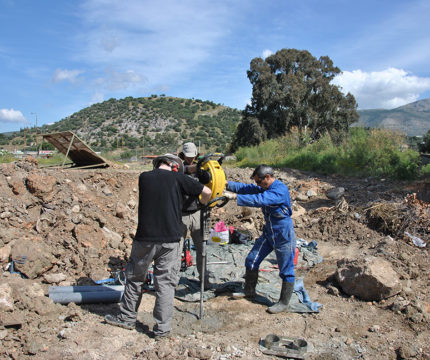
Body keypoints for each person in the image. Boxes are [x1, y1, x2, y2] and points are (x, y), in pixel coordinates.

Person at [105, 154, 212, 338]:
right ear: (175, 167)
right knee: (166, 284)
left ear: (157, 164)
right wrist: (199, 203)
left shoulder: (144, 177)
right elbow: (207, 192)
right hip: (171, 239)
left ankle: (128, 318)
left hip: (144, 239)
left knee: (135, 279)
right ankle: (162, 329)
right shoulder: (180, 178)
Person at [223, 164, 296, 314]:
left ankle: (284, 302)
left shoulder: (279, 190)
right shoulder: (265, 186)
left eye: (259, 182)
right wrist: (227, 185)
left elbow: (260, 199)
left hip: (283, 233)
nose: (257, 185)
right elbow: (247, 188)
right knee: (251, 259)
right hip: (269, 232)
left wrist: (235, 197)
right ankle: (249, 290)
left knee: (286, 269)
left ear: (268, 178)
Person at [178, 142, 212, 289]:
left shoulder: (198, 169)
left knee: (201, 249)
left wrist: (201, 169)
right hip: (181, 214)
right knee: (176, 250)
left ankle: (204, 280)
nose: (190, 159)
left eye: (193, 157)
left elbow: (208, 179)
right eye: (188, 157)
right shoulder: (178, 169)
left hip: (197, 212)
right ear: (183, 155)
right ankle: (171, 283)